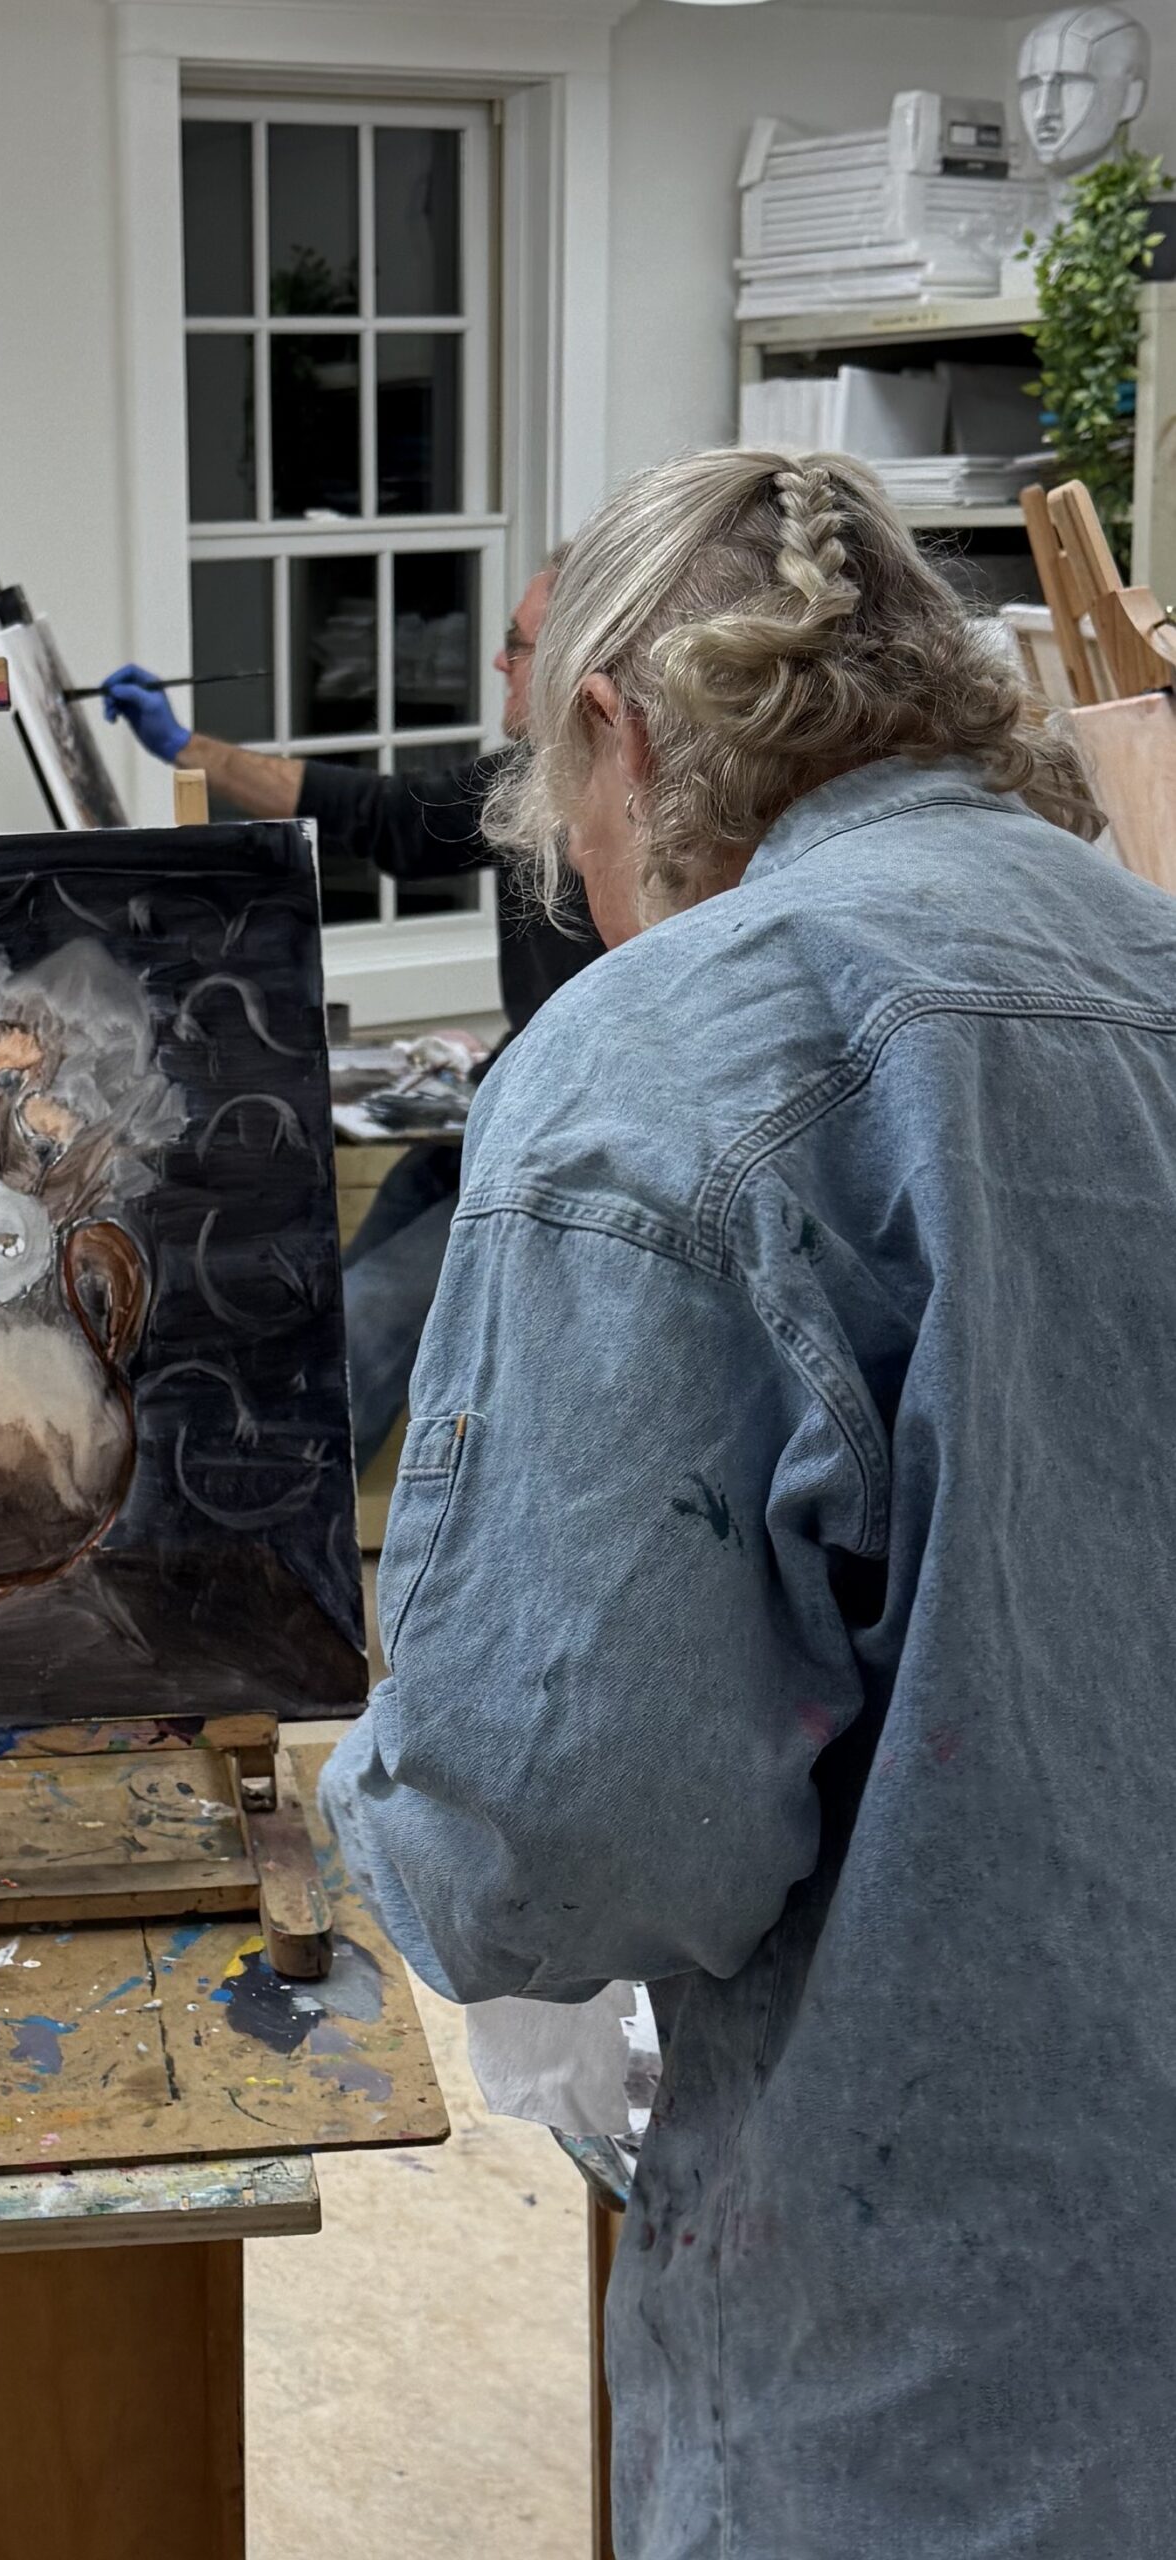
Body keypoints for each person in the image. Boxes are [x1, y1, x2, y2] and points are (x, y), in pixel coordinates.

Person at [320, 448, 1176, 2555]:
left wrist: (376, 1802)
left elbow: (553, 1848)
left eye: (570, 827)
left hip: (931, 2348)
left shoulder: (665, 1055)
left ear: (616, 732)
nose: (590, 893)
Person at [99, 556, 603, 1468]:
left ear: (577, 661)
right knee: (328, 1302)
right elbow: (379, 816)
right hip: (501, 1121)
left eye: (516, 643)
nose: (498, 662)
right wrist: (185, 748)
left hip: (564, 1154)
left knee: (362, 1328)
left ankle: (265, 1505)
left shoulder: (627, 813)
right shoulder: (532, 784)